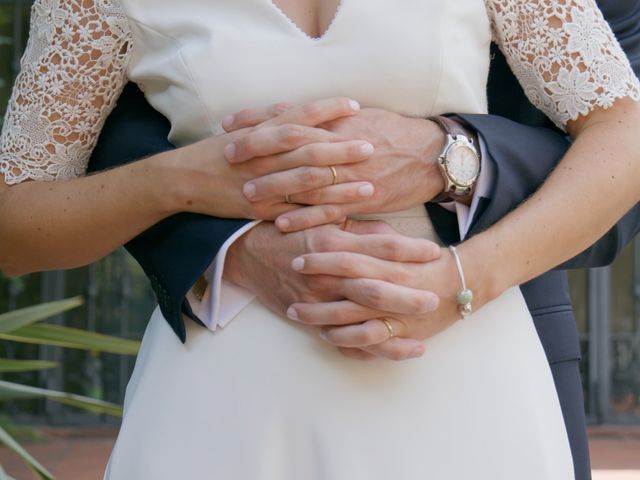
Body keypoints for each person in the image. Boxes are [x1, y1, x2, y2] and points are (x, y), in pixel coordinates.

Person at [0, 0, 639, 478]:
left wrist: (461, 280)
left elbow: (625, 132)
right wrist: (177, 181)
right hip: (228, 389)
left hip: (463, 362)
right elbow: (14, 223)